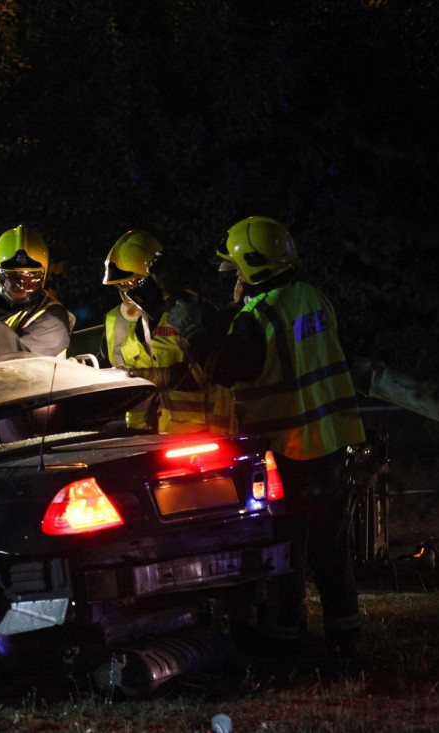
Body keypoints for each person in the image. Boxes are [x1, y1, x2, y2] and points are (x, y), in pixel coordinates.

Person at [168, 216, 367, 659]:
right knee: (333, 551)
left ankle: (284, 641)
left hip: (286, 450)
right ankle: (346, 638)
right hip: (331, 445)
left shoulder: (258, 316)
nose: (234, 280)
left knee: (285, 552)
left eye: (237, 272)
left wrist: (193, 332)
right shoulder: (312, 297)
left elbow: (227, 370)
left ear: (253, 269)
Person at [101, 230, 214, 434]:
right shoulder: (114, 319)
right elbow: (108, 369)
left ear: (156, 276)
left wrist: (150, 376)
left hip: (192, 432)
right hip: (139, 434)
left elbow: (210, 371)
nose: (127, 291)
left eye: (133, 282)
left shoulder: (191, 310)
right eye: (120, 285)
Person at [0, 225, 74, 357]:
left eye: (31, 278)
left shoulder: (53, 318)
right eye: (12, 277)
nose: (21, 286)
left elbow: (18, 361)